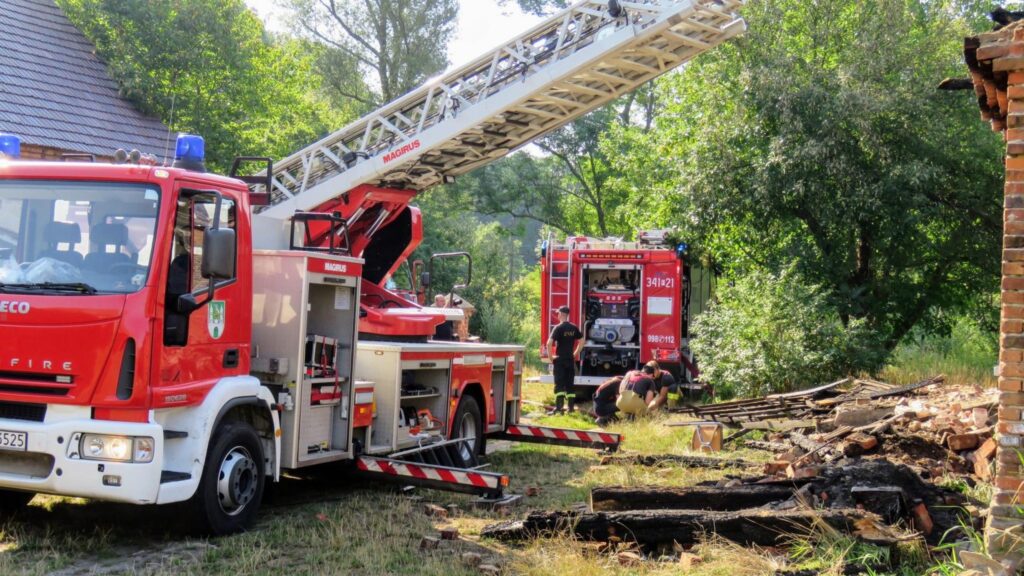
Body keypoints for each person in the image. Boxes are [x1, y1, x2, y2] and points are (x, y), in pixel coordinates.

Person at [547, 305, 583, 414]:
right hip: (569, 360)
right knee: (569, 384)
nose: (557, 315)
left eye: (558, 313)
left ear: (562, 314)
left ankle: (559, 408)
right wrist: (575, 353)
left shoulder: (558, 328)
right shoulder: (574, 327)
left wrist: (550, 357)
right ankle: (570, 408)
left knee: (559, 384)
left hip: (560, 360)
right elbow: (582, 341)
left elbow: (549, 343)